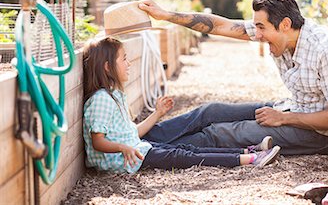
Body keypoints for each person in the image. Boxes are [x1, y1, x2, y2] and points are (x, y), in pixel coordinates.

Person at [138, 0, 328, 155]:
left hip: (319, 135)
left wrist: (283, 118)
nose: (257, 35)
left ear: (285, 24)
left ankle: (145, 151)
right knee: (210, 112)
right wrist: (165, 15)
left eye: (261, 28)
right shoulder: (281, 33)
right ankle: (135, 137)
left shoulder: (327, 49)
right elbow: (219, 26)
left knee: (220, 133)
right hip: (292, 108)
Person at [82, 37, 282, 174]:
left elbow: (131, 133)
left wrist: (157, 113)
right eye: (123, 59)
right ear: (108, 67)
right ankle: (250, 158)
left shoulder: (113, 96)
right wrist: (121, 148)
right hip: (125, 158)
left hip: (135, 149)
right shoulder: (101, 100)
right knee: (184, 155)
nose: (129, 64)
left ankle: (248, 151)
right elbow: (98, 142)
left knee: (187, 147)